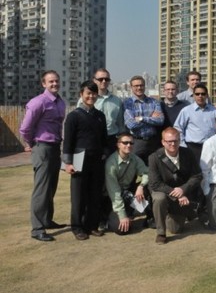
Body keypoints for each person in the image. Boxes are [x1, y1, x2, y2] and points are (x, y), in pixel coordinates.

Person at [20, 70, 66, 242]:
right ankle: (37, 228)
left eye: (56, 81)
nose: (54, 84)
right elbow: (25, 128)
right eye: (51, 81)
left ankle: (47, 220)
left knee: (51, 187)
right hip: (42, 147)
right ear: (44, 84)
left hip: (55, 147)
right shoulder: (38, 102)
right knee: (42, 189)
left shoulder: (60, 102)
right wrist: (32, 144)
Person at [62, 80, 108, 240]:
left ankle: (91, 225)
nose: (91, 96)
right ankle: (77, 227)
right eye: (88, 93)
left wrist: (105, 154)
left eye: (94, 93)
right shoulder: (73, 116)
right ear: (81, 94)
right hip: (78, 158)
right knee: (78, 195)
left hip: (97, 160)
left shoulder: (100, 116)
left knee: (95, 194)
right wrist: (67, 163)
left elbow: (104, 139)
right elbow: (68, 141)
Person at [148, 127, 202, 244]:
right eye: (169, 141)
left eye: (175, 141)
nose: (173, 144)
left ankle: (169, 213)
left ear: (179, 140)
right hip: (162, 190)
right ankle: (161, 233)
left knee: (175, 229)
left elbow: (197, 176)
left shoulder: (188, 153)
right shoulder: (154, 157)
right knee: (159, 199)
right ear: (163, 142)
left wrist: (183, 189)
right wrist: (178, 194)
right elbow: (155, 183)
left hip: (182, 191)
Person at [104, 133, 151, 235]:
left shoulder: (135, 158)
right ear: (118, 144)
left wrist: (141, 186)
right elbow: (114, 192)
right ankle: (107, 221)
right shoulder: (111, 164)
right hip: (112, 199)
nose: (129, 145)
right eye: (125, 143)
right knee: (122, 229)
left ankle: (151, 217)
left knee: (149, 185)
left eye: (131, 143)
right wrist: (122, 215)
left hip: (127, 194)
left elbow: (147, 173)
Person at [123, 75, 164, 164]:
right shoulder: (128, 103)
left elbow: (160, 120)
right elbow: (131, 125)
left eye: (141, 85)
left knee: (154, 167)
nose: (139, 88)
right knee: (134, 167)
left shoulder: (154, 101)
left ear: (145, 86)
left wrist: (141, 118)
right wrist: (151, 118)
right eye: (136, 86)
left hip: (153, 141)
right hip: (137, 142)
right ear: (131, 87)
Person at [173, 84, 216, 161]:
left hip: (211, 146)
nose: (200, 96)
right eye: (197, 94)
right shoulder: (186, 110)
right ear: (193, 96)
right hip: (193, 148)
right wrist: (183, 145)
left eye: (203, 94)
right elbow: (178, 128)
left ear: (207, 95)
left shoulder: (214, 111)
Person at [88, 68, 124, 156]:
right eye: (100, 79)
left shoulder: (117, 101)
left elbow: (120, 124)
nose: (104, 81)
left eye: (106, 79)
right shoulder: (87, 99)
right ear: (94, 80)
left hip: (111, 140)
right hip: (92, 140)